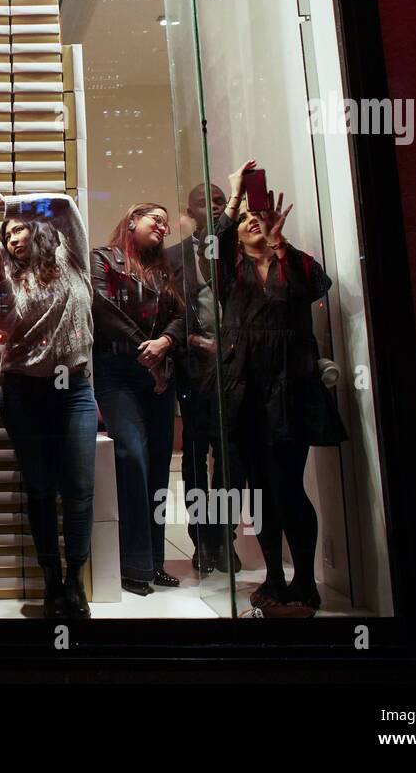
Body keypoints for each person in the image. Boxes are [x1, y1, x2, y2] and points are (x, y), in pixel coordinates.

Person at [214, 161, 343, 612]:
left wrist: (280, 246)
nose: (253, 221)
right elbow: (208, 245)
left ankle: (305, 581)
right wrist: (234, 196)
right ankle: (273, 577)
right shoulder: (228, 272)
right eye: (246, 219)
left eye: (259, 216)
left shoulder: (296, 265)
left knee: (288, 485)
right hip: (246, 390)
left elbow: (319, 286)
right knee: (259, 489)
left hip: (291, 389)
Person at [0, 179, 96, 619]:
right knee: (41, 490)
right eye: (5, 235)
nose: (11, 237)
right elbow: (3, 322)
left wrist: (8, 203)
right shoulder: (8, 276)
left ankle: (74, 581)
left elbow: (62, 204)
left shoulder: (72, 256)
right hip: (24, 391)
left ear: (35, 228)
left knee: (79, 489)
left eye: (16, 229)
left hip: (74, 389)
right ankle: (51, 583)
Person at [91, 203, 186, 597]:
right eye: (155, 220)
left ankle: (154, 561)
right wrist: (145, 350)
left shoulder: (166, 270)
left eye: (166, 222)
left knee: (159, 463)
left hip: (158, 368)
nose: (163, 227)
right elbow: (102, 308)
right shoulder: (104, 259)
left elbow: (184, 315)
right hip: (118, 368)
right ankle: (133, 563)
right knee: (132, 456)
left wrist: (165, 343)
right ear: (131, 220)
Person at [165, 182, 244, 574]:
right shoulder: (172, 257)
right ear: (189, 212)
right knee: (195, 461)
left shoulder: (239, 248)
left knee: (231, 462)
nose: (213, 207)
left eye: (219, 200)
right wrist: (189, 342)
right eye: (204, 202)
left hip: (235, 372)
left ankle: (223, 535)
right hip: (194, 374)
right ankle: (201, 538)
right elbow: (165, 316)